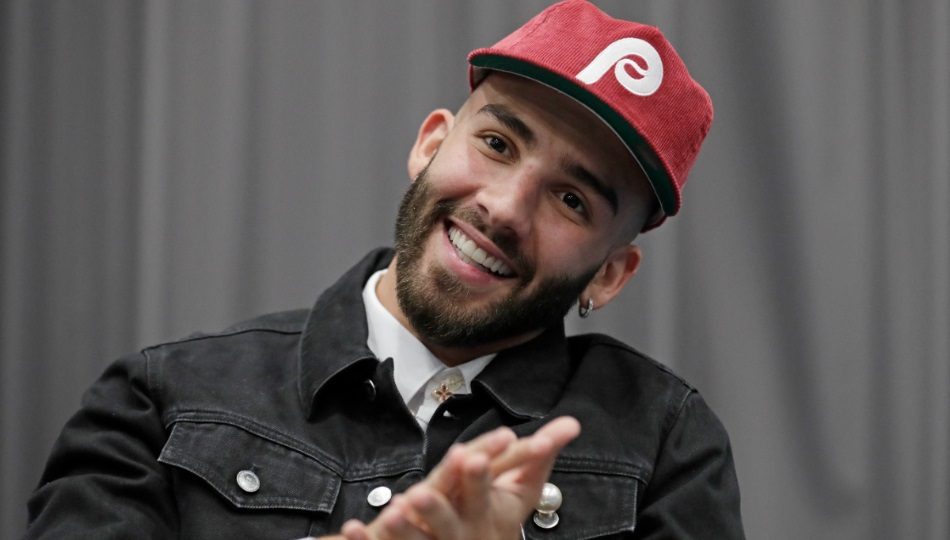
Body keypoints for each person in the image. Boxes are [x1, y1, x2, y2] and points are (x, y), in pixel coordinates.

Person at [25, 1, 743, 538]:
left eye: (571, 199)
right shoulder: (160, 400)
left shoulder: (667, 446)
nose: (504, 208)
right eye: (496, 142)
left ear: (610, 275)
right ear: (432, 143)